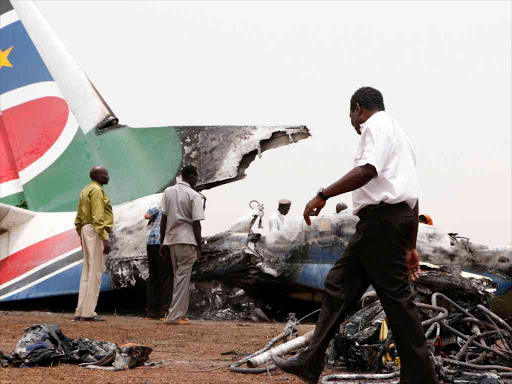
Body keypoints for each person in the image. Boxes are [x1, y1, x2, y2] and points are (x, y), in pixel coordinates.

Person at [271, 87, 439, 384]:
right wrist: (410, 245)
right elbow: (413, 197)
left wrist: (323, 194)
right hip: (388, 222)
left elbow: (367, 170)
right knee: (339, 285)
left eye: (351, 115)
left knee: (397, 300)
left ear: (358, 108)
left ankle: (422, 377)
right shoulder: (401, 136)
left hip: (381, 223)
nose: (352, 122)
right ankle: (310, 362)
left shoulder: (374, 126)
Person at [160, 165, 205, 325]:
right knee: (182, 278)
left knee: (179, 277)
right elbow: (196, 223)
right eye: (196, 177)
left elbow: (163, 218)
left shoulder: (168, 192)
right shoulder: (194, 195)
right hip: (187, 239)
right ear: (192, 177)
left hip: (171, 240)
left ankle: (181, 313)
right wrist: (199, 246)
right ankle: (174, 316)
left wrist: (161, 241)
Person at [74, 166, 113, 322]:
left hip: (85, 230)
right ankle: (89, 313)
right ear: (97, 176)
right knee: (96, 271)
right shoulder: (97, 191)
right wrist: (104, 238)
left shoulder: (85, 190)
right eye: (105, 174)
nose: (108, 176)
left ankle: (80, 310)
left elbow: (78, 218)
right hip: (95, 230)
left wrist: (81, 236)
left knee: (87, 271)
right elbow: (98, 216)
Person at [144, 207, 173, 319]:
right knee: (166, 277)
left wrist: (154, 219)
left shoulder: (160, 208)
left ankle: (151, 312)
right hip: (163, 243)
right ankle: (163, 312)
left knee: (153, 277)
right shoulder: (175, 208)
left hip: (151, 243)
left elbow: (147, 215)